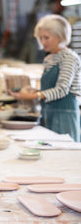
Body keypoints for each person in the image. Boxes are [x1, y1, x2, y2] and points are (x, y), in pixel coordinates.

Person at [9, 14, 80, 142]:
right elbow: (50, 88)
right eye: (40, 38)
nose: (42, 42)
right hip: (48, 113)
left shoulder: (69, 58)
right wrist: (34, 91)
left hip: (64, 115)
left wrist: (31, 97)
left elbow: (62, 89)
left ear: (60, 36)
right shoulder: (50, 58)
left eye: (46, 37)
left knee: (63, 155)